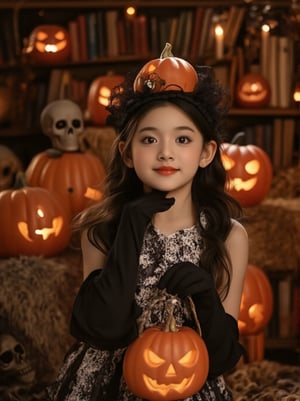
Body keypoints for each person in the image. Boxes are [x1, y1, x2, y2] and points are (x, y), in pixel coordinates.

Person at [47, 46, 248, 401]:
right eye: (150, 139)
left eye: (183, 139)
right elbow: (103, 329)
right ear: (127, 152)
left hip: (185, 380)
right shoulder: (102, 228)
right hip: (103, 383)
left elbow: (221, 357)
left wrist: (205, 297)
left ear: (206, 153)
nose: (165, 152)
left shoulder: (228, 235)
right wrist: (131, 227)